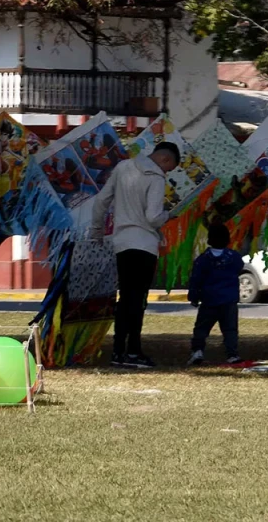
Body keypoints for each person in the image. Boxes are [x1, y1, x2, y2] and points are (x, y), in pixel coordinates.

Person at [91, 141, 180, 368]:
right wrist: (168, 215)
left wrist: (96, 232)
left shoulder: (123, 167)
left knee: (125, 298)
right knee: (138, 300)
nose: (166, 173)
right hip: (145, 244)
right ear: (165, 160)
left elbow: (101, 201)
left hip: (122, 243)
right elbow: (152, 217)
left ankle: (118, 351)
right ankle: (133, 351)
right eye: (168, 169)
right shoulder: (156, 178)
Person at [186, 223, 243, 365]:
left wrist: (193, 297)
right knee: (230, 329)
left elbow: (196, 279)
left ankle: (197, 351)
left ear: (209, 239)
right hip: (229, 300)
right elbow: (239, 268)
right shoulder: (234, 257)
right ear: (227, 239)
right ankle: (232, 354)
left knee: (201, 329)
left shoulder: (203, 259)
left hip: (209, 300)